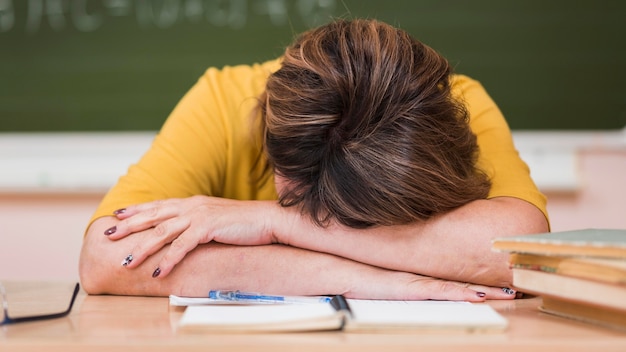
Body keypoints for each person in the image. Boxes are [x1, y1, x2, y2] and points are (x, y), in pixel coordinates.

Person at [79, 19, 549, 301]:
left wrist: (281, 224)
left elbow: (522, 250)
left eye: (360, 221)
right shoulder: (224, 102)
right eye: (310, 206)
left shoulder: (454, 107)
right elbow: (104, 259)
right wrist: (356, 279)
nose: (331, 223)